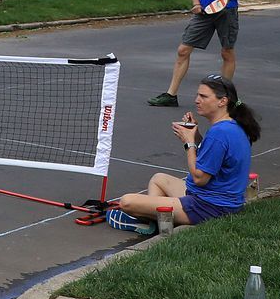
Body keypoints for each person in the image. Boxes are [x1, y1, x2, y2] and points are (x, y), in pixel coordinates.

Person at [109, 74, 259, 234]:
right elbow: (216, 156)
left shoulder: (219, 133)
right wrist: (196, 135)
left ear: (222, 101)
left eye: (203, 96)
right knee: (159, 179)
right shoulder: (232, 125)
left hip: (210, 207)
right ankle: (155, 220)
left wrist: (189, 143)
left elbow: (200, 178)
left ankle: (153, 221)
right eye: (197, 95)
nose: (196, 100)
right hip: (219, 200)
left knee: (127, 202)